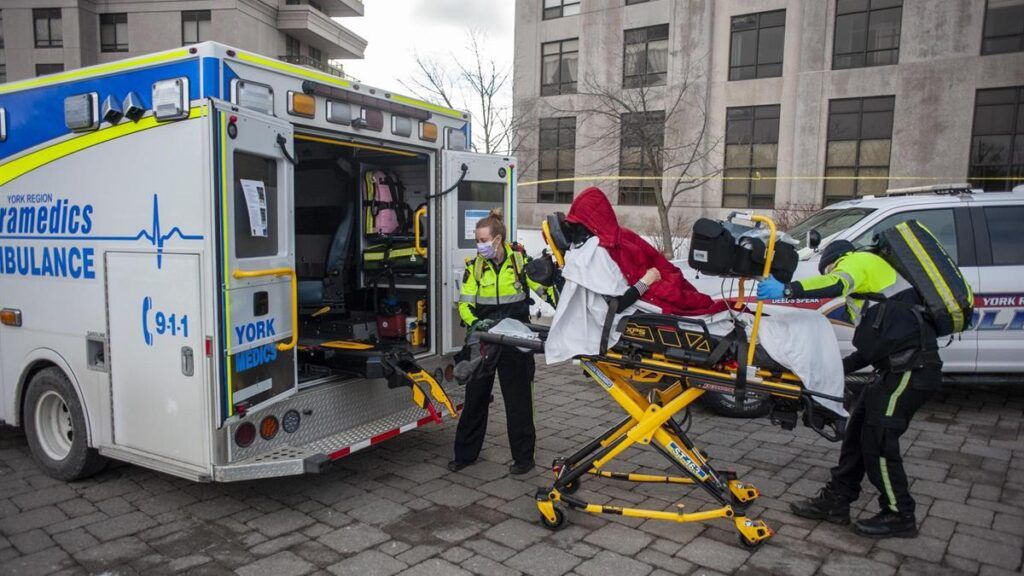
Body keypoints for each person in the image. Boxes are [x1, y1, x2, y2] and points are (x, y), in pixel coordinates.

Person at [757, 240, 941, 538]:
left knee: (879, 441)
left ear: (834, 260)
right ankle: (837, 501)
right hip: (892, 370)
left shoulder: (858, 261)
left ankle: (900, 514)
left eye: (829, 268)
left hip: (911, 371)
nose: (832, 272)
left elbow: (836, 282)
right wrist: (830, 370)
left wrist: (788, 290)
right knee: (856, 436)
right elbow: (871, 350)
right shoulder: (875, 288)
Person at [449, 209, 556, 476]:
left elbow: (544, 291)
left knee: (518, 400)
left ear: (498, 240)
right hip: (484, 339)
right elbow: (465, 304)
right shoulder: (475, 267)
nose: (479, 245)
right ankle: (465, 455)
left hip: (515, 338)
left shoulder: (519, 263)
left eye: (483, 240)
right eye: (477, 240)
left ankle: (523, 458)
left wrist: (554, 287)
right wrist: (476, 323)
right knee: (475, 398)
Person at [564, 188, 725, 316]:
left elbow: (654, 260)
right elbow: (617, 304)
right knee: (694, 301)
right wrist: (646, 281)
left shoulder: (614, 240)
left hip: (653, 277)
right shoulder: (598, 253)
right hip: (648, 285)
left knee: (687, 293)